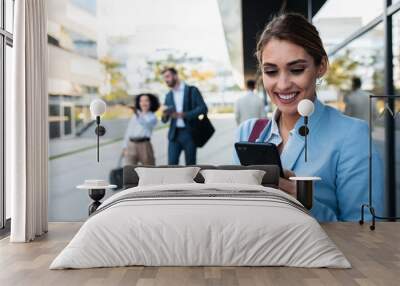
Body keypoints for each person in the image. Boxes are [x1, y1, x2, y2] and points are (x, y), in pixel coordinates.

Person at [234, 13, 384, 222]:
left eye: (296, 69)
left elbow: (366, 233)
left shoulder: (352, 136)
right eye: (271, 71)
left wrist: (304, 203)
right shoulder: (248, 132)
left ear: (321, 66)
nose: (283, 84)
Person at [161, 67, 207, 165]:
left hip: (189, 133)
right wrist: (165, 114)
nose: (166, 80)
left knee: (190, 165)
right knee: (171, 164)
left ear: (176, 75)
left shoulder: (192, 90)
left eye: (168, 76)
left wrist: (184, 115)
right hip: (174, 135)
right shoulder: (168, 95)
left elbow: (203, 108)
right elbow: (164, 120)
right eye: (164, 78)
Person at [122, 93, 159, 165]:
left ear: (151, 103)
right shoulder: (135, 115)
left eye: (146, 101)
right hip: (131, 145)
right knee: (130, 171)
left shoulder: (153, 117)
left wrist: (137, 114)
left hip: (145, 145)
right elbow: (129, 131)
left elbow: (146, 124)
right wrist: (124, 147)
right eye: (141, 101)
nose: (143, 103)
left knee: (149, 170)